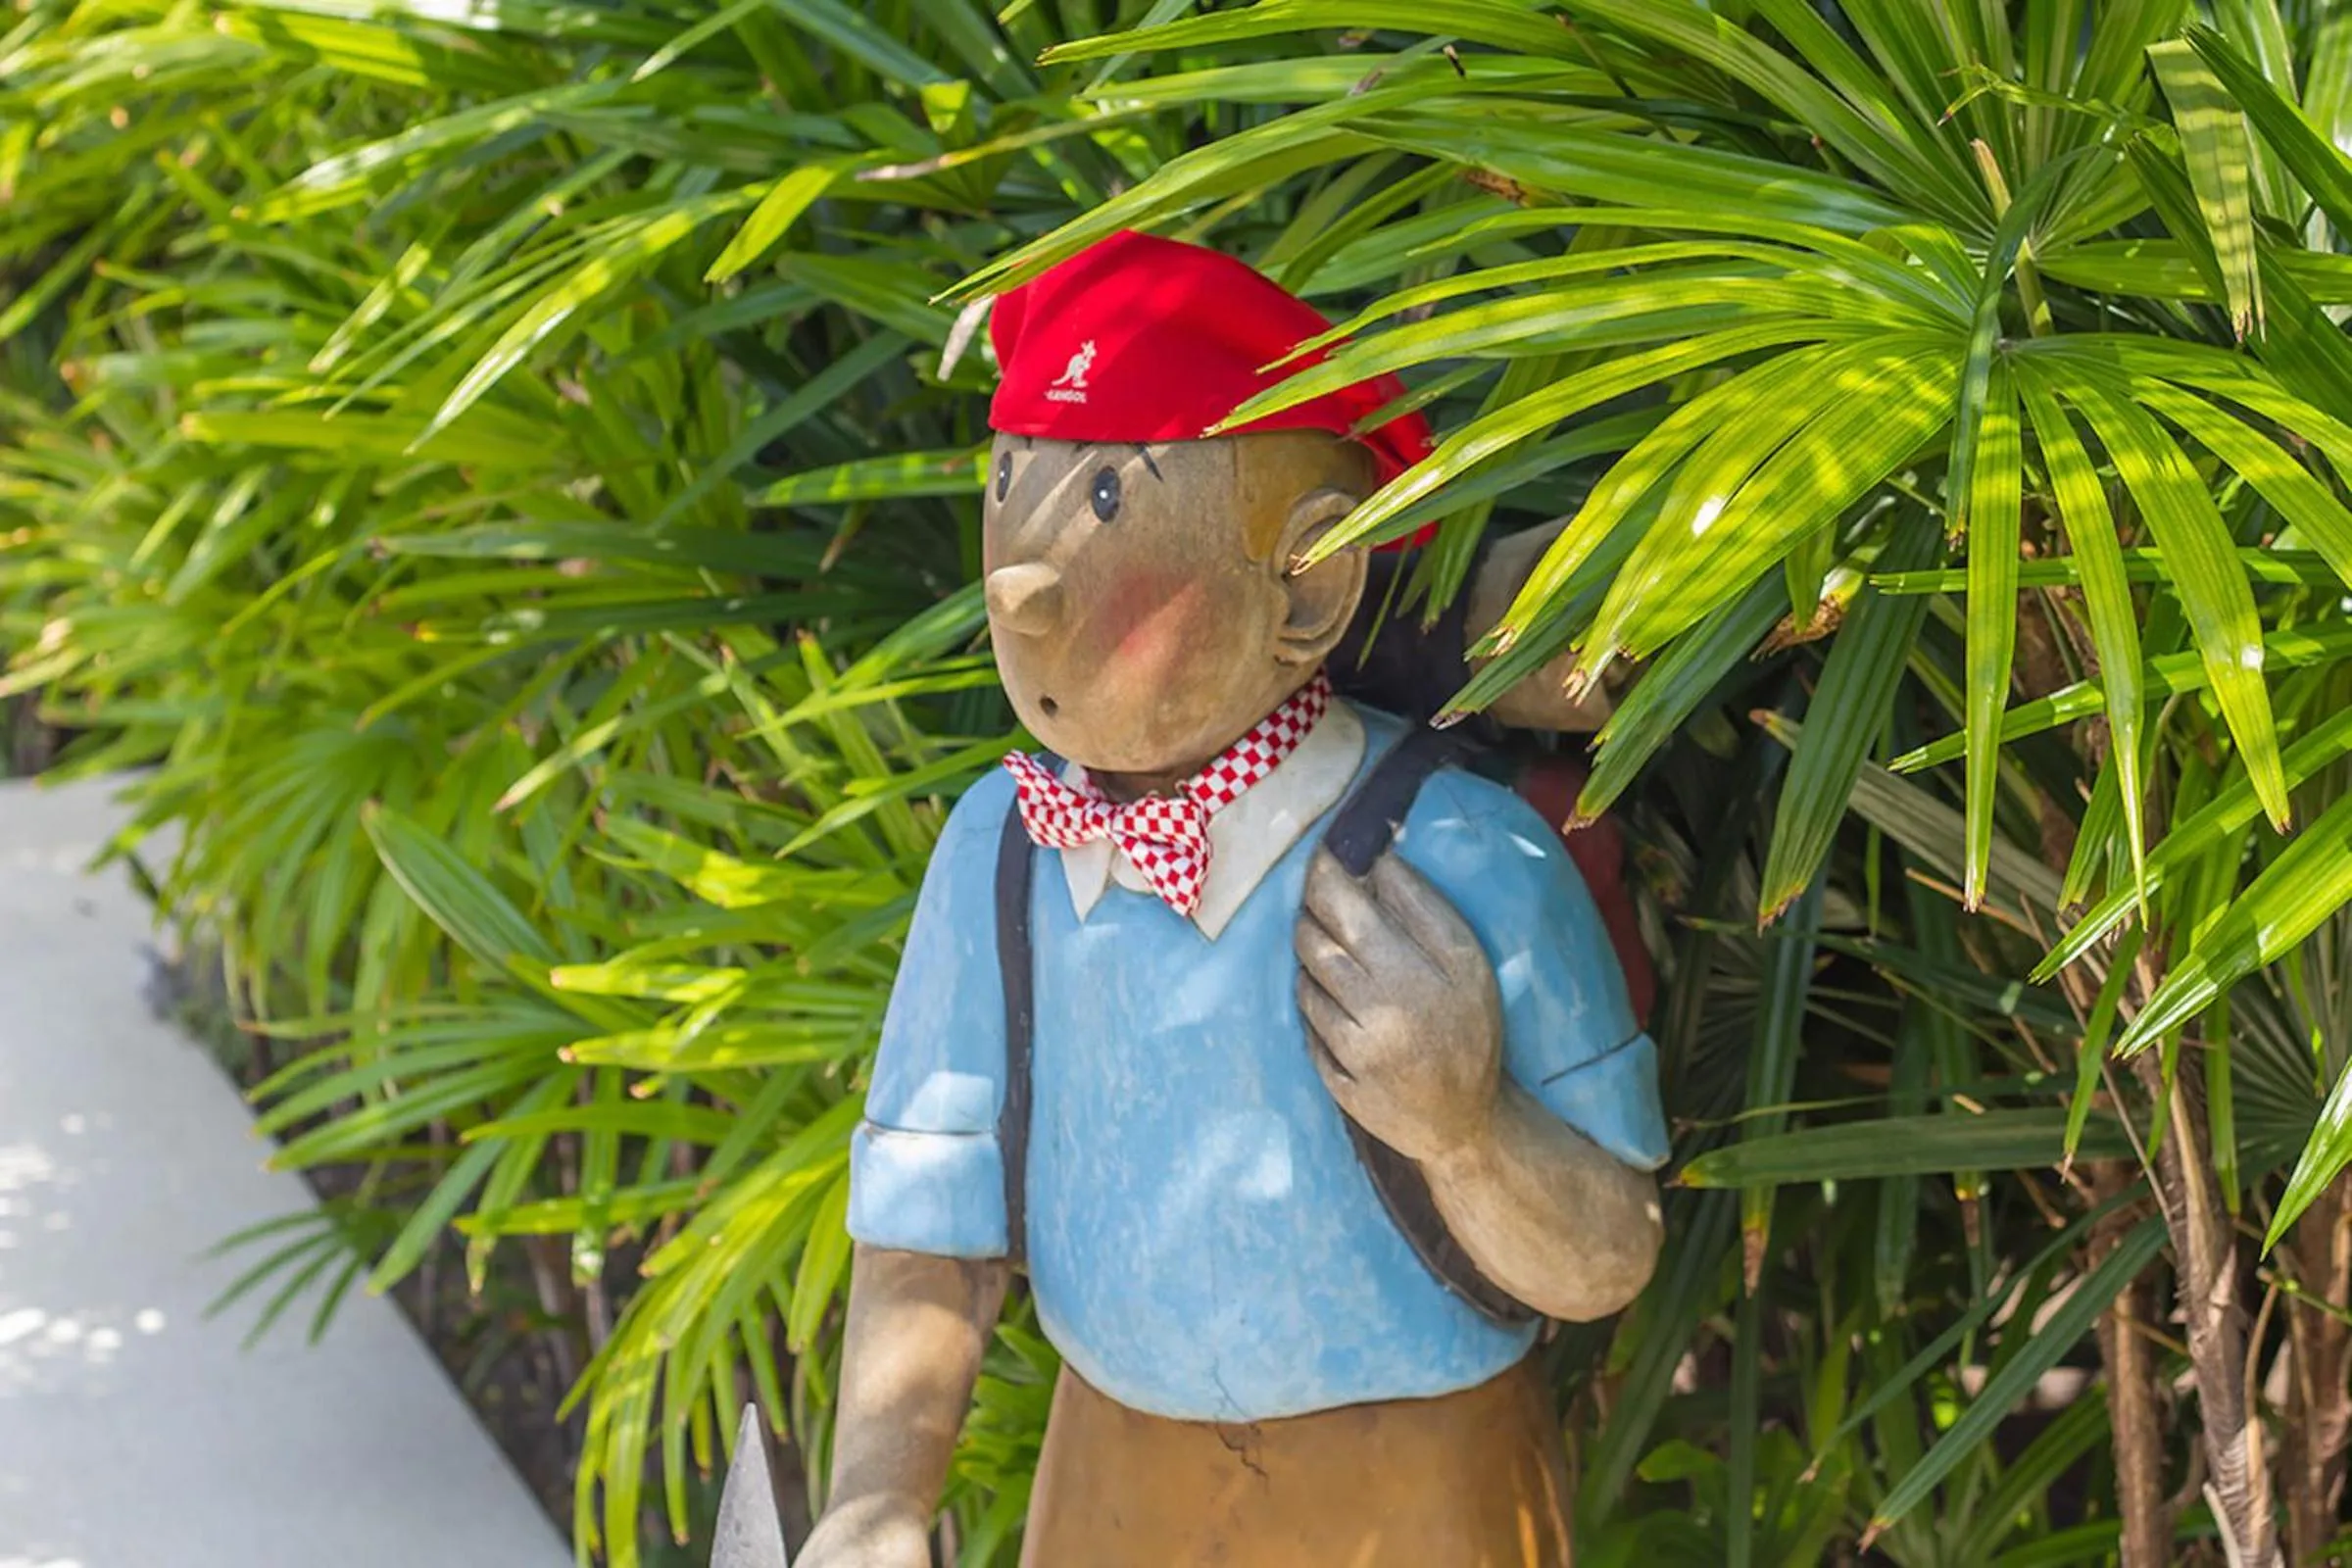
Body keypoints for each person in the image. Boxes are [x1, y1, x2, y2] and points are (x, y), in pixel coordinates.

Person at [799, 230, 1669, 1568]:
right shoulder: (1001, 854)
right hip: (1109, 1483)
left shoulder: (1470, 859)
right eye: (1014, 483)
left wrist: (1471, 1130)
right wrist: (876, 1499)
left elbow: (1609, 1257)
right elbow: (931, 1221)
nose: (1018, 577)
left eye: (1105, 502)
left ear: (1309, 587)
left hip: (1427, 1488)